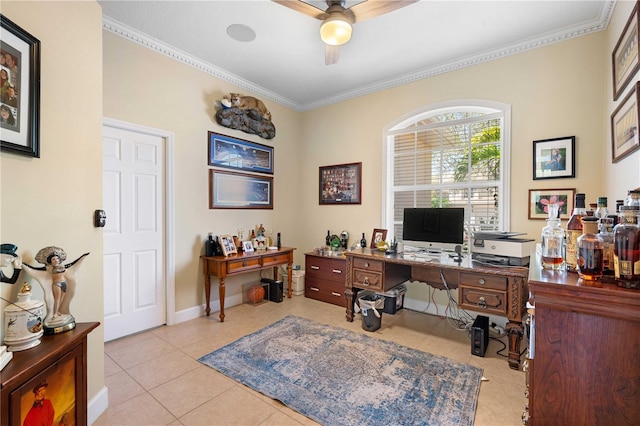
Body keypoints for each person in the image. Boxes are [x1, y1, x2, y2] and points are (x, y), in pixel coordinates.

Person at [21, 247, 90, 328]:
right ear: (50, 261)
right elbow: (34, 269)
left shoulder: (64, 266)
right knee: (56, 299)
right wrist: (23, 264)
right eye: (53, 259)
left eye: (57, 258)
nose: (56, 260)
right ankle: (54, 314)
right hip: (56, 284)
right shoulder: (47, 269)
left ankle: (58, 311)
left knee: (62, 299)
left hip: (64, 283)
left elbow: (74, 263)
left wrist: (83, 257)